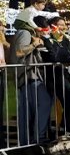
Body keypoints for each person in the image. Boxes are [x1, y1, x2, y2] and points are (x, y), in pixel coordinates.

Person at [13, 16, 52, 146]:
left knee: (28, 111)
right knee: (44, 102)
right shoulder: (25, 33)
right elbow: (19, 52)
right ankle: (36, 138)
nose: (44, 33)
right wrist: (34, 44)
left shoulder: (28, 33)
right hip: (28, 75)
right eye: (44, 29)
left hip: (30, 75)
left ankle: (27, 142)